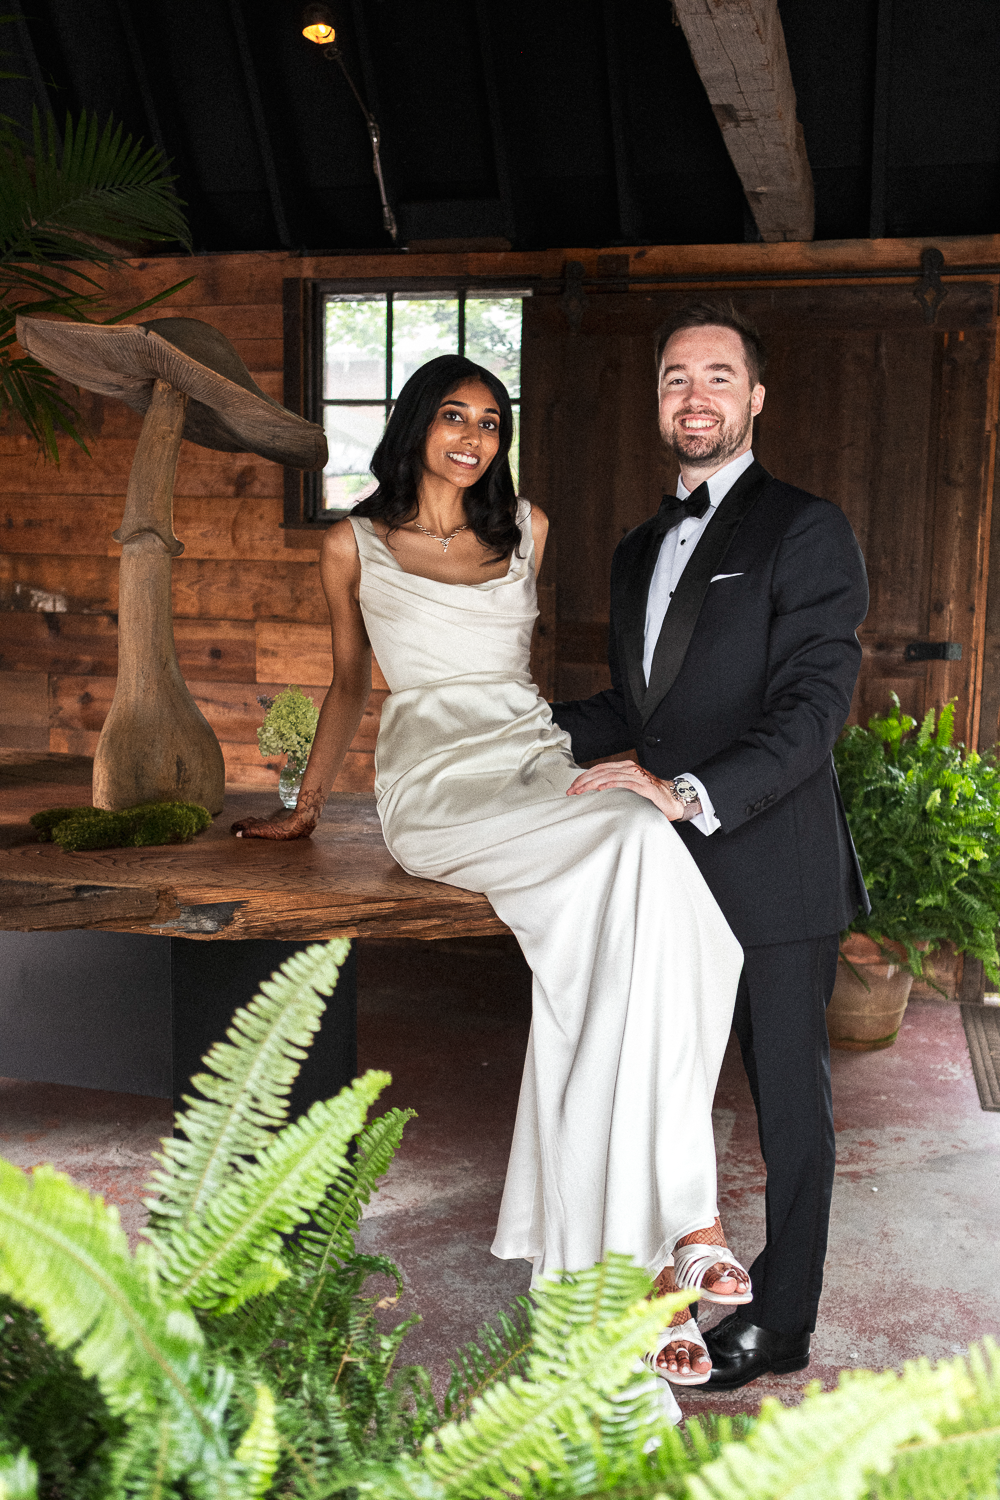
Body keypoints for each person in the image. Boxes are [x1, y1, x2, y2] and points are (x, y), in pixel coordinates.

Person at [234, 353, 749, 1388]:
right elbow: (345, 686)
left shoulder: (530, 530)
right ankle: (680, 1216)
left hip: (532, 765)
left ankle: (654, 1255)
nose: (474, 436)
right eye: (454, 416)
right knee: (647, 856)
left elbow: (520, 677)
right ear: (417, 424)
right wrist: (305, 807)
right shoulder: (352, 544)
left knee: (649, 892)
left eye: (492, 421)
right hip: (436, 789)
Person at [552, 304, 869, 1390]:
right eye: (675, 378)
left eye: (718, 377)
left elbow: (812, 706)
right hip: (661, 879)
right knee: (658, 1092)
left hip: (772, 869)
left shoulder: (806, 527)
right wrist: (513, 734)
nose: (695, 397)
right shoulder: (637, 547)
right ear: (657, 400)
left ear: (755, 398)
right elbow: (636, 707)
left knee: (789, 1108)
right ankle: (662, 1288)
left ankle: (783, 1322)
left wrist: (688, 792)